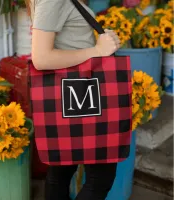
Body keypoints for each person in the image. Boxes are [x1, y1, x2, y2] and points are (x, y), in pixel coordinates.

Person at [26, 0, 121, 199]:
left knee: (61, 172)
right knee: (99, 178)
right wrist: (97, 51)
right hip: (81, 94)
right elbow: (41, 58)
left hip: (71, 94)